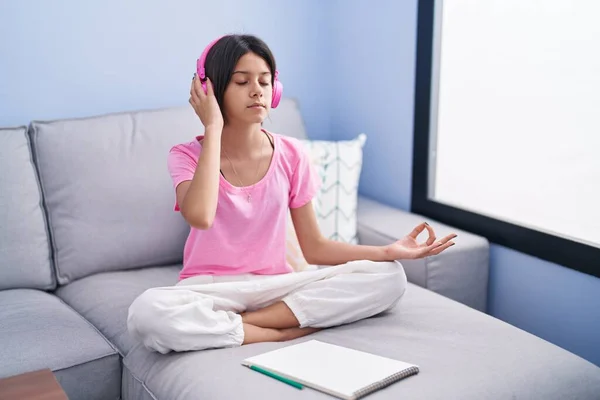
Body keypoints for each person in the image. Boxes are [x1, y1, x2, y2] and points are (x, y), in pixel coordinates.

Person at [127, 34, 457, 354]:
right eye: (241, 82)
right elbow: (200, 216)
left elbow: (314, 248)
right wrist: (212, 128)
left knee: (389, 277)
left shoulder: (291, 153)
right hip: (211, 288)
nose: (256, 90)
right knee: (146, 313)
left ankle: (245, 326)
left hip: (275, 285)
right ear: (210, 90)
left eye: (264, 81)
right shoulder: (185, 156)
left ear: (275, 90)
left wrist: (389, 251)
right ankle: (280, 332)